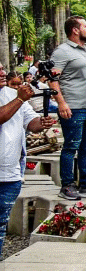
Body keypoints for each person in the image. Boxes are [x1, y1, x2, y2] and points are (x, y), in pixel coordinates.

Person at [50, 16, 86, 201]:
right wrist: (61, 103)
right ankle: (67, 185)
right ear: (75, 30)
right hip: (73, 107)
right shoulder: (62, 52)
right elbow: (52, 79)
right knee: (71, 147)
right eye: (85, 26)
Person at [0, 82, 57, 256]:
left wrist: (41, 122)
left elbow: (31, 123)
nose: (2, 73)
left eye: (2, 69)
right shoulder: (18, 97)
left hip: (9, 175)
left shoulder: (13, 94)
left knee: (1, 225)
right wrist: (19, 99)